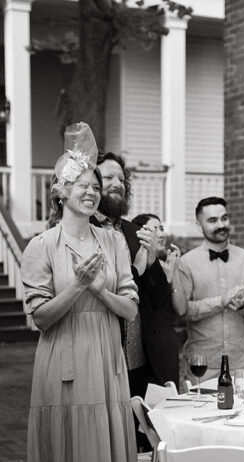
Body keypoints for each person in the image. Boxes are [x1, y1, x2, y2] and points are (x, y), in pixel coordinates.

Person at [20, 123, 143, 462]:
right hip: (62, 361)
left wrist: (99, 289)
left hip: (107, 360)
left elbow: (129, 309)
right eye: (81, 185)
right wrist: (76, 287)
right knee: (61, 459)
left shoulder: (113, 242)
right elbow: (41, 318)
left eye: (95, 186)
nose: (91, 192)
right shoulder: (41, 246)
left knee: (105, 458)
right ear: (60, 191)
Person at [93, 152, 174, 395]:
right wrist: (137, 268)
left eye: (121, 179)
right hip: (102, 359)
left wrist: (152, 262)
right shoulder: (84, 230)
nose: (117, 184)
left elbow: (159, 299)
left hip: (139, 361)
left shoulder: (135, 232)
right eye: (109, 178)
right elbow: (103, 288)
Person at [175, 196, 244, 382]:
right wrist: (220, 302)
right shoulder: (186, 263)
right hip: (201, 365)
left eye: (224, 218)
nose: (221, 225)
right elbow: (182, 311)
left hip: (239, 364)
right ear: (199, 225)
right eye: (212, 220)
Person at [132, 212, 182, 387]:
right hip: (143, 348)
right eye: (155, 229)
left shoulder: (166, 265)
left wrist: (173, 271)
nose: (161, 234)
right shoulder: (134, 268)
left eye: (162, 228)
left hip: (166, 343)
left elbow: (181, 309)